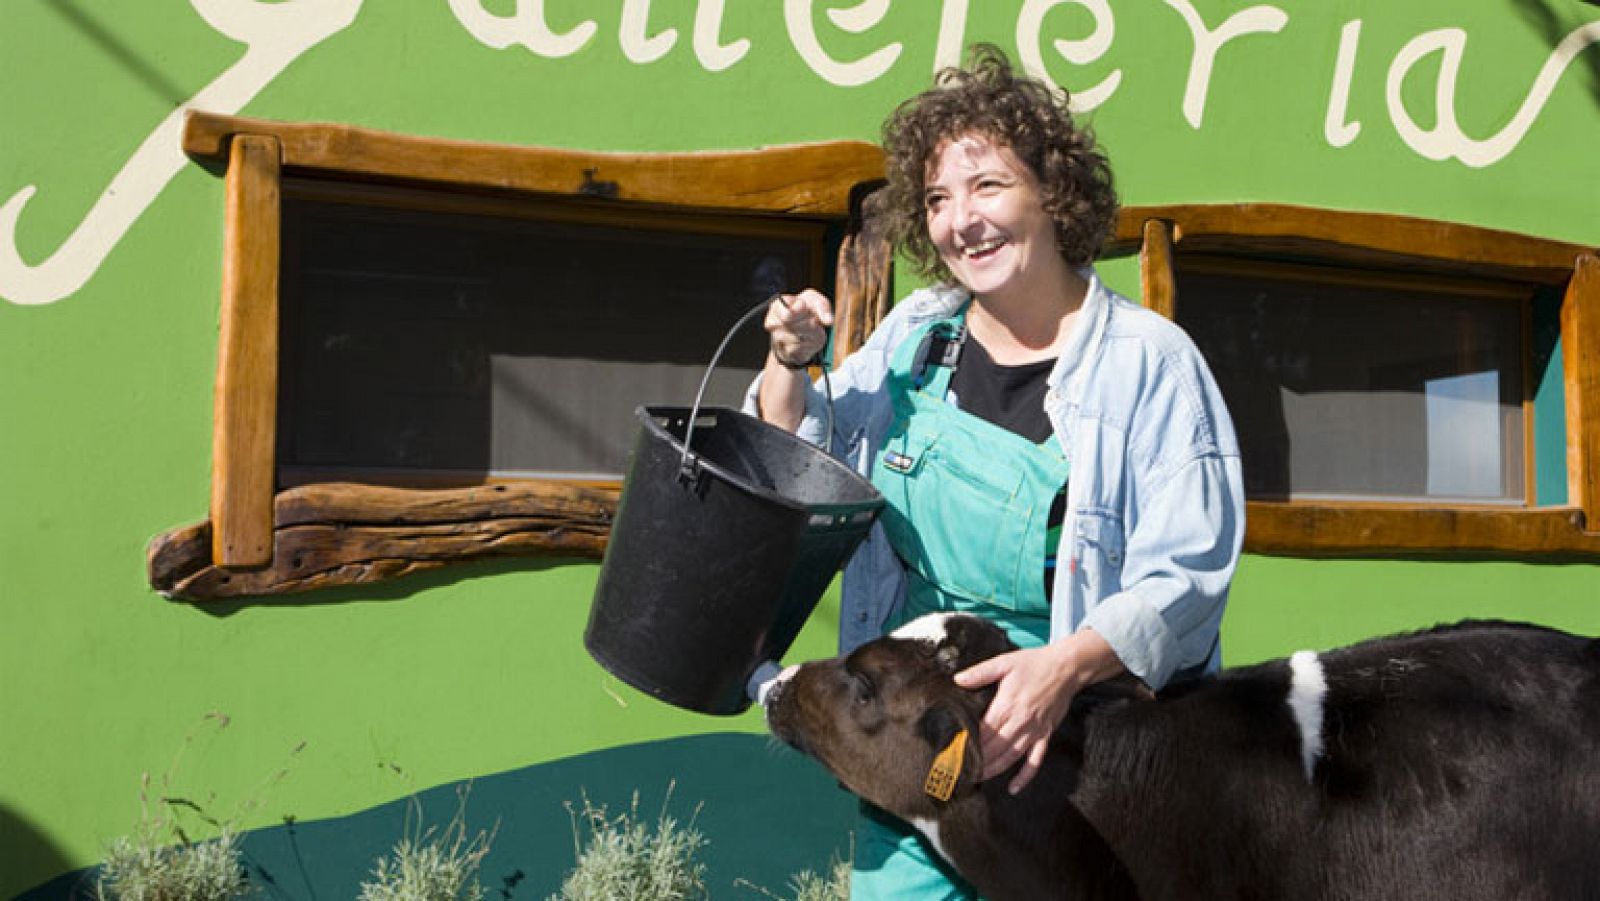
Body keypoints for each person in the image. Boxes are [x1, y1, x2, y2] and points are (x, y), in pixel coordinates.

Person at [747, 45, 1244, 899]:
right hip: (916, 756)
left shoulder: (1149, 364)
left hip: (1070, 770)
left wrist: (1065, 667)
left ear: (1053, 192)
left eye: (987, 187)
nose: (960, 220)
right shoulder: (918, 335)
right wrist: (790, 362)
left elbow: (1190, 570)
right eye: (939, 198)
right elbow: (802, 451)